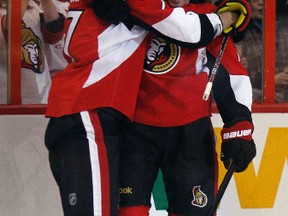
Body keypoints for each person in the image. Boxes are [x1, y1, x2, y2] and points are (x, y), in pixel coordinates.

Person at [43, 0, 248, 215]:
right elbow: (195, 31)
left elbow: (230, 72)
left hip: (186, 133)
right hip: (113, 123)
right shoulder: (145, 4)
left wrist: (240, 125)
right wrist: (231, 16)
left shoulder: (188, 11)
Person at [118, 0, 256, 215]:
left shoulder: (208, 16)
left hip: (190, 135)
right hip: (134, 132)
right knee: (128, 211)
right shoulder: (141, 7)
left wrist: (239, 125)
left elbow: (230, 73)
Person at [0, 0, 65, 104]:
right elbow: (10, 28)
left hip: (42, 97)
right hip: (7, 102)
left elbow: (54, 34)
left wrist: (46, 2)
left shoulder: (31, 7)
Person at [236, 0, 288, 102]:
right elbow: (238, 78)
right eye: (255, 0)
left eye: (264, 0)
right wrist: (269, 81)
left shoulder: (284, 30)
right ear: (248, 4)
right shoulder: (241, 35)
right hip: (257, 98)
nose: (261, 3)